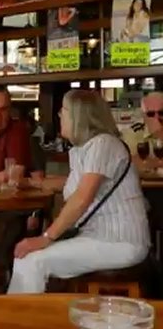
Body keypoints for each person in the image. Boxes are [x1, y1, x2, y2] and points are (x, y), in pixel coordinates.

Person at [8, 90, 150, 293]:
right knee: (29, 257)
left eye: (64, 111)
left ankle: (18, 313)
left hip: (120, 242)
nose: (59, 115)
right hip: (98, 237)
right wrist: (30, 183)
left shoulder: (103, 144)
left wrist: (46, 237)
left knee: (30, 260)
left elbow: (82, 197)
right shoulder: (84, 148)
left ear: (79, 116)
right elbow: (73, 184)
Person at [122, 92, 163, 158]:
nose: (156, 117)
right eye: (151, 114)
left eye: (161, 113)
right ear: (144, 116)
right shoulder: (133, 134)